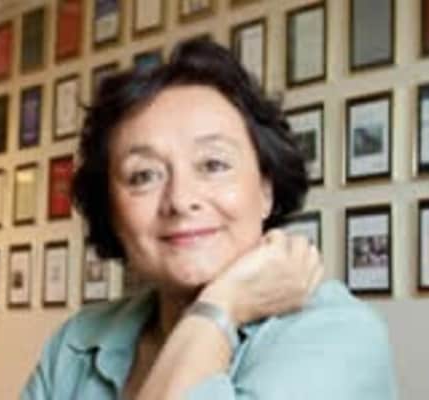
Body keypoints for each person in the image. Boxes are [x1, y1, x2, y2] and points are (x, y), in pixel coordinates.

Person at [20, 39, 397, 399]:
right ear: (111, 209)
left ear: (266, 190)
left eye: (213, 164)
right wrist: (225, 302)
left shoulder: (337, 335)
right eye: (144, 175)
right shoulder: (77, 343)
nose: (181, 200)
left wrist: (218, 308)